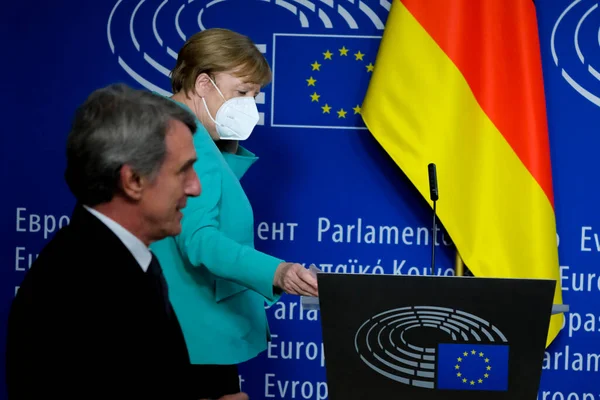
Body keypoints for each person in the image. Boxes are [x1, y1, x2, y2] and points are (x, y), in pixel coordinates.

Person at [5, 83, 247, 400]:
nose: (195, 187)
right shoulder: (81, 283)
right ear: (133, 180)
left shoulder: (123, 261)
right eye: (184, 170)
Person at [149, 28, 319, 399]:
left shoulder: (165, 127)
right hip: (194, 335)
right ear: (203, 83)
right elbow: (199, 238)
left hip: (180, 331)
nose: (250, 105)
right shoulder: (187, 136)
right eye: (242, 91)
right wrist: (278, 272)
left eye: (255, 95)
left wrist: (223, 147)